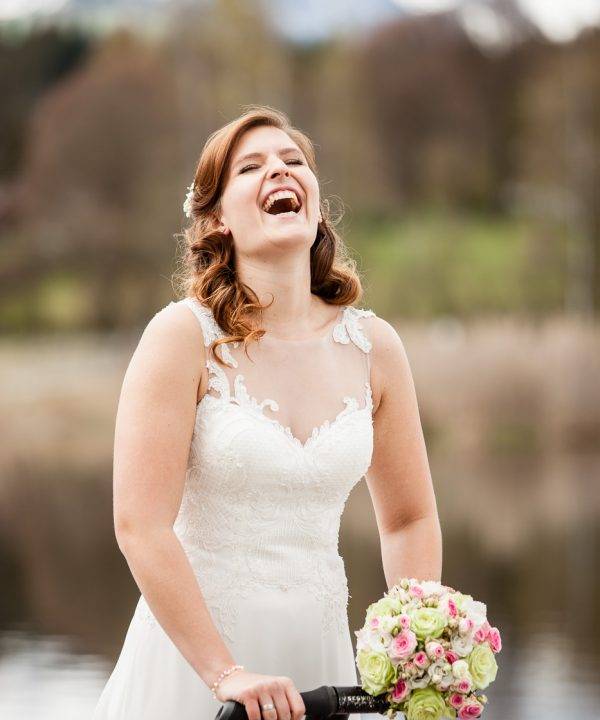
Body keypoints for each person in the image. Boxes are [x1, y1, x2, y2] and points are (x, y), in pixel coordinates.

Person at [92, 105, 442, 720]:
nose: (279, 170)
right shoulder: (182, 337)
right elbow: (139, 525)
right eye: (251, 167)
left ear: (316, 205)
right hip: (196, 667)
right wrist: (225, 674)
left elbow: (408, 519)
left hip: (320, 658)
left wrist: (419, 649)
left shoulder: (374, 347)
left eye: (293, 160)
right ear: (217, 220)